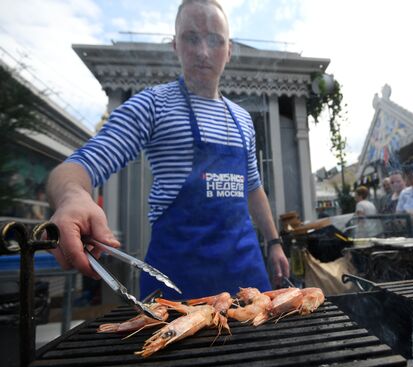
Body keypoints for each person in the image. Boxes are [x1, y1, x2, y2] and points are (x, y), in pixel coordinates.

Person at [46, 0, 289, 299]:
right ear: (175, 45)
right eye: (191, 38)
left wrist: (274, 242)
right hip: (177, 283)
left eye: (215, 40)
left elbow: (253, 188)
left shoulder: (242, 119)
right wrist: (72, 196)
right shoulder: (153, 105)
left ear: (229, 50)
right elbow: (77, 167)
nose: (203, 51)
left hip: (246, 275)